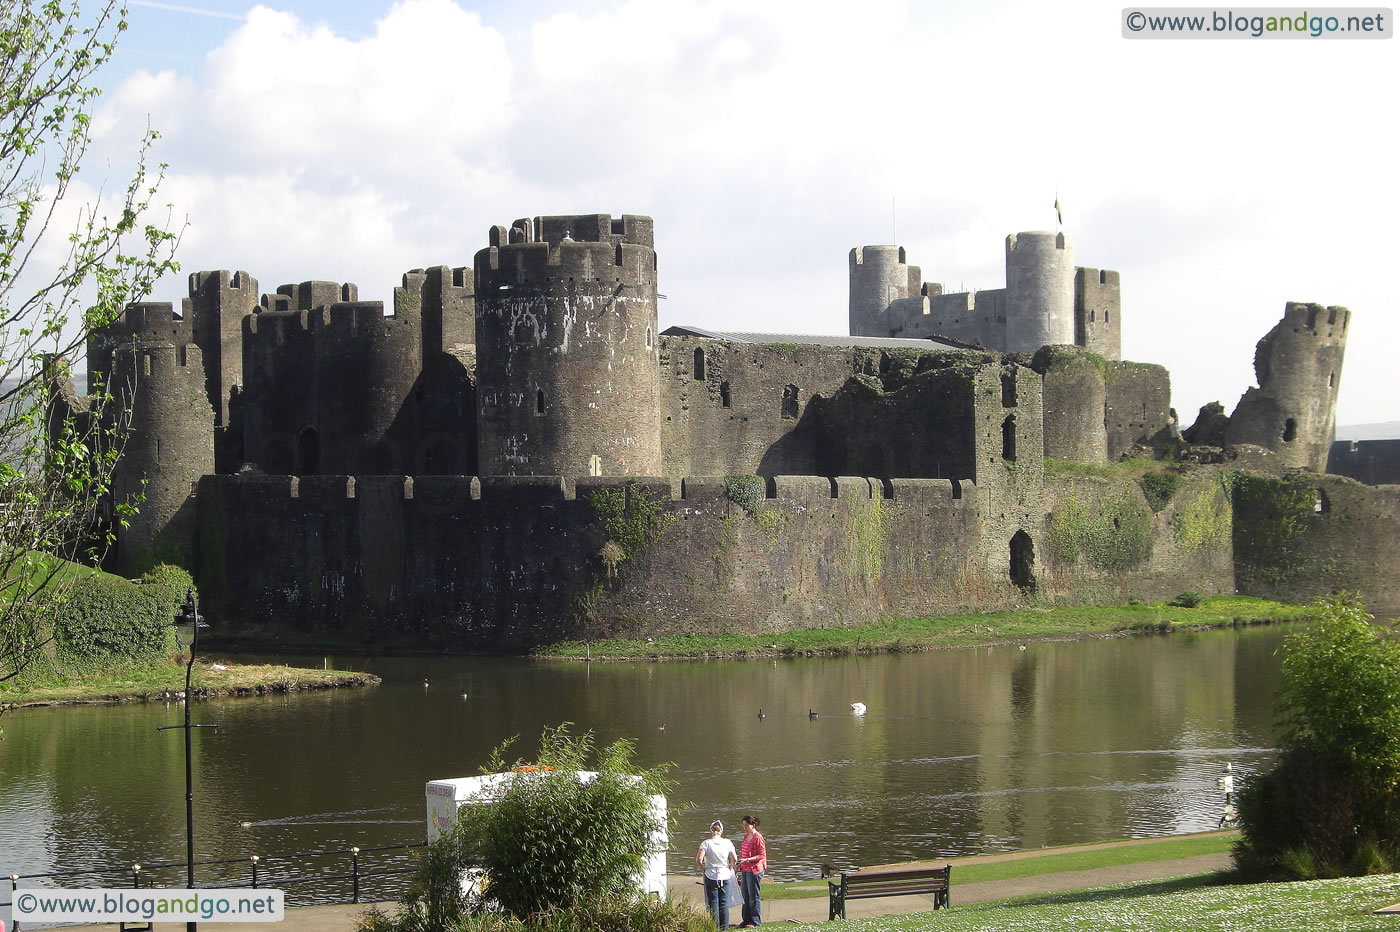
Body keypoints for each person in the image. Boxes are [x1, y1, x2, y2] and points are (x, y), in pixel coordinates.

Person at [697, 819, 738, 930]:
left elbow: (699, 859)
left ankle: (714, 928)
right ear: (721, 831)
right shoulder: (727, 842)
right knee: (724, 903)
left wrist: (704, 870)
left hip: (711, 874)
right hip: (725, 874)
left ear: (711, 830)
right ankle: (724, 928)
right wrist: (730, 868)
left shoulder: (706, 843)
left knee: (713, 904)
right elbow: (734, 858)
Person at [737, 814, 767, 928]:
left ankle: (755, 921)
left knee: (753, 896)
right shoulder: (746, 836)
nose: (744, 827)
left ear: (753, 825)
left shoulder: (758, 837)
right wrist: (739, 865)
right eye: (743, 825)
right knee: (745, 895)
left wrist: (748, 859)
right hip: (745, 868)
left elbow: (761, 855)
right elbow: (743, 852)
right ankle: (746, 920)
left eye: (746, 825)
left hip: (754, 869)